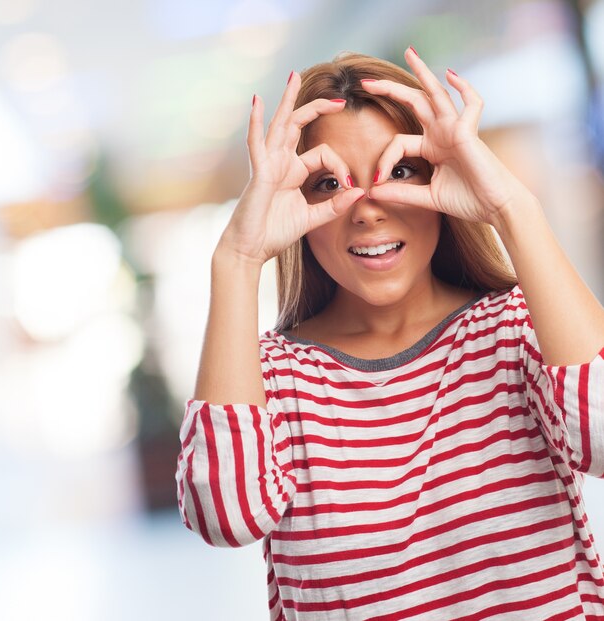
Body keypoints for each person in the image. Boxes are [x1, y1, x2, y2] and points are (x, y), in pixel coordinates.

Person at [175, 47, 604, 620]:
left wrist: (510, 208)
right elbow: (225, 518)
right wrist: (237, 258)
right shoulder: (272, 378)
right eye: (329, 183)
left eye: (399, 171)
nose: (367, 208)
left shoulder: (518, 328)